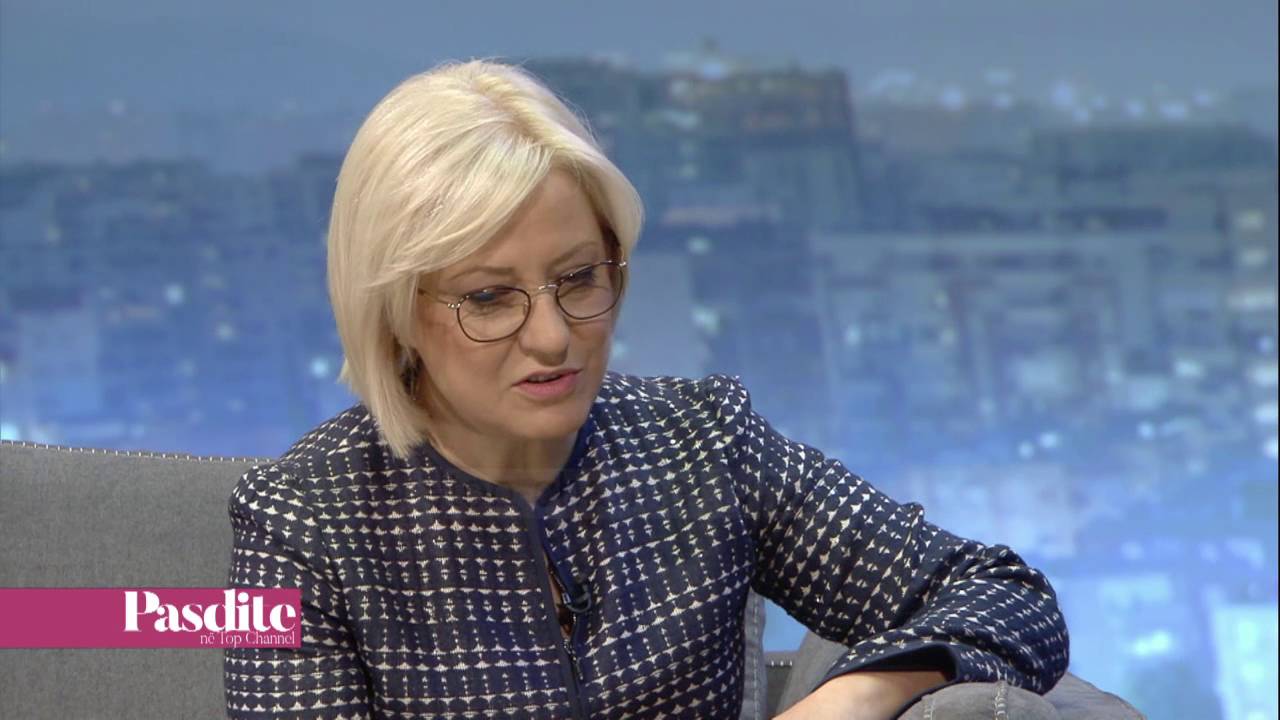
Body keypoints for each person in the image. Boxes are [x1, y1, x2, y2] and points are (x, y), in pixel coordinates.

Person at [224, 58, 1069, 719]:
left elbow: (1005, 594)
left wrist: (857, 695)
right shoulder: (300, 525)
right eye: (488, 298)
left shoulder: (703, 445)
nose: (552, 336)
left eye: (579, 279)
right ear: (396, 313)